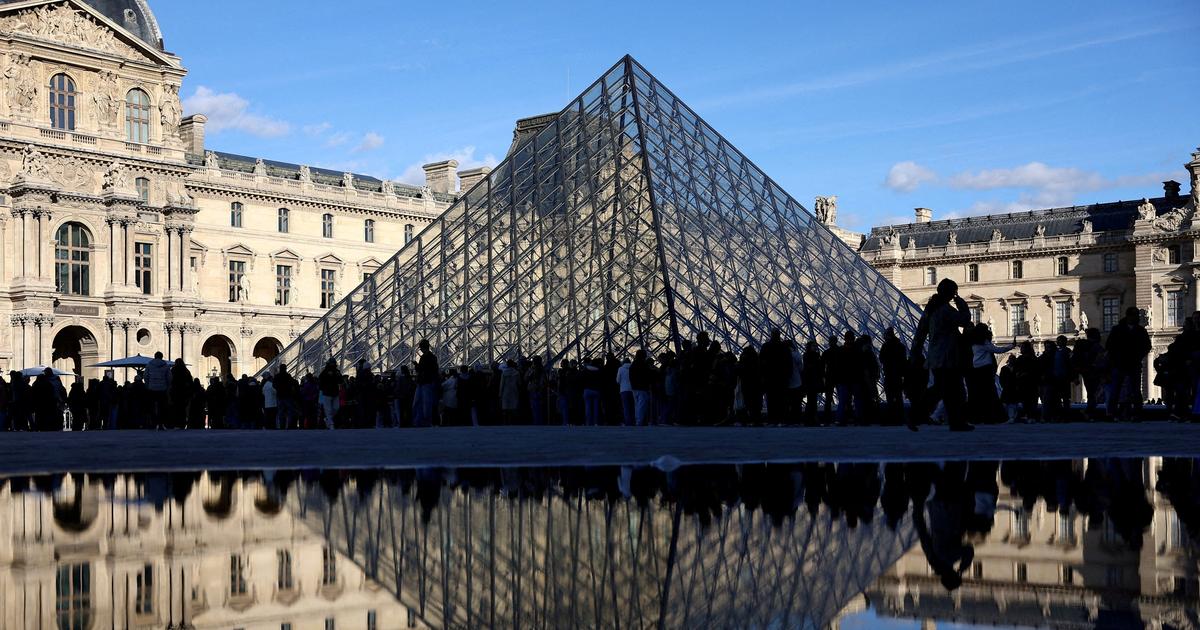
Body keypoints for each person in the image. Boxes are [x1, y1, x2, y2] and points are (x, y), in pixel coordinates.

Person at [911, 278, 974, 431]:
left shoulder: (930, 310)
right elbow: (965, 321)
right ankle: (916, 416)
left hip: (936, 356)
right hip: (948, 356)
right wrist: (963, 305)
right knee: (951, 391)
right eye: (954, 292)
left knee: (947, 390)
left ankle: (955, 422)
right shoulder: (946, 310)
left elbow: (920, 333)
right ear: (951, 293)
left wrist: (916, 352)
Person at [1106, 307, 1151, 421]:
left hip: (1132, 363)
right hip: (1121, 363)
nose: (1136, 318)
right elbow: (1109, 346)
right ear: (1128, 316)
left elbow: (1147, 346)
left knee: (1134, 390)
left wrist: (1138, 356)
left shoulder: (1140, 330)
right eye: (1134, 315)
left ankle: (1135, 413)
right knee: (1117, 389)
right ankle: (1113, 413)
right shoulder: (1118, 329)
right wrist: (1116, 359)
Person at [967, 324, 1014, 423]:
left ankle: (978, 417)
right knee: (991, 393)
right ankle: (995, 417)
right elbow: (997, 350)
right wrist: (1011, 346)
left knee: (979, 394)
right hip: (985, 369)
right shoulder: (984, 342)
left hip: (976, 369)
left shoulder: (974, 343)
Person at [759, 329, 792, 424]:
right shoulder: (784, 347)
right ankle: (782, 418)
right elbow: (789, 363)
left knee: (771, 399)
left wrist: (763, 376)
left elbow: (761, 362)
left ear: (771, 334)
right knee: (781, 399)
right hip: (782, 377)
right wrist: (788, 375)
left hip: (770, 377)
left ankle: (772, 418)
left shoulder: (766, 346)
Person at [879, 328, 908, 424]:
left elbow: (881, 358)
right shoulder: (900, 346)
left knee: (890, 398)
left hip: (889, 374)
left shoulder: (886, 346)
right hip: (898, 375)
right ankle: (899, 418)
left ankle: (892, 417)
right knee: (898, 397)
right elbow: (904, 361)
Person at [413, 339, 440, 427]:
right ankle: (420, 420)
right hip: (422, 382)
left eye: (421, 348)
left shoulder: (430, 357)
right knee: (419, 402)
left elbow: (432, 370)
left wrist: (419, 367)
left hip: (426, 382)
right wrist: (417, 366)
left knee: (425, 403)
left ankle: (426, 421)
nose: (420, 350)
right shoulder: (425, 357)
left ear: (424, 347)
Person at [145, 352, 171, 429]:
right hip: (162, 389)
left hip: (152, 388)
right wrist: (167, 386)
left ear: (154, 356)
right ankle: (161, 423)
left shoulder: (149, 364)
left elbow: (146, 376)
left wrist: (148, 385)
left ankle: (153, 423)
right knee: (162, 407)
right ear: (162, 357)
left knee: (152, 406)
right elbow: (169, 377)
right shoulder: (166, 365)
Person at [801, 340, 825, 426]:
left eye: (816, 346)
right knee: (812, 401)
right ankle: (811, 419)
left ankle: (810, 419)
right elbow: (812, 368)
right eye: (813, 346)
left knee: (812, 400)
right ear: (809, 347)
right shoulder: (812, 356)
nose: (815, 348)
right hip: (811, 381)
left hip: (812, 381)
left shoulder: (809, 355)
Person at [629, 349, 653, 426]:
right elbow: (647, 376)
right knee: (642, 405)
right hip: (642, 387)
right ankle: (640, 421)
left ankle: (637, 420)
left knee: (637, 405)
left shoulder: (633, 364)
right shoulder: (644, 364)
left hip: (634, 387)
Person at [318, 359, 342, 429]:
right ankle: (331, 424)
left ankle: (328, 419)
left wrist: (339, 376)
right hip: (327, 393)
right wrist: (323, 388)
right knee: (328, 409)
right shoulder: (325, 372)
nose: (333, 364)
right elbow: (321, 380)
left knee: (336, 408)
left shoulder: (337, 371)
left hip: (335, 392)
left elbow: (340, 381)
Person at [169, 358, 192, 429]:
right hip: (183, 393)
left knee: (175, 409)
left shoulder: (172, 370)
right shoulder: (186, 371)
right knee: (182, 409)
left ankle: (175, 423)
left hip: (175, 392)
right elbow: (190, 383)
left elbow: (169, 381)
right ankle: (182, 423)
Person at [616, 358, 634, 426]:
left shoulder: (620, 369)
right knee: (632, 407)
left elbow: (617, 380)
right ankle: (633, 421)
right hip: (632, 389)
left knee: (626, 407)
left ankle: (627, 422)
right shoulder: (633, 368)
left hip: (623, 390)